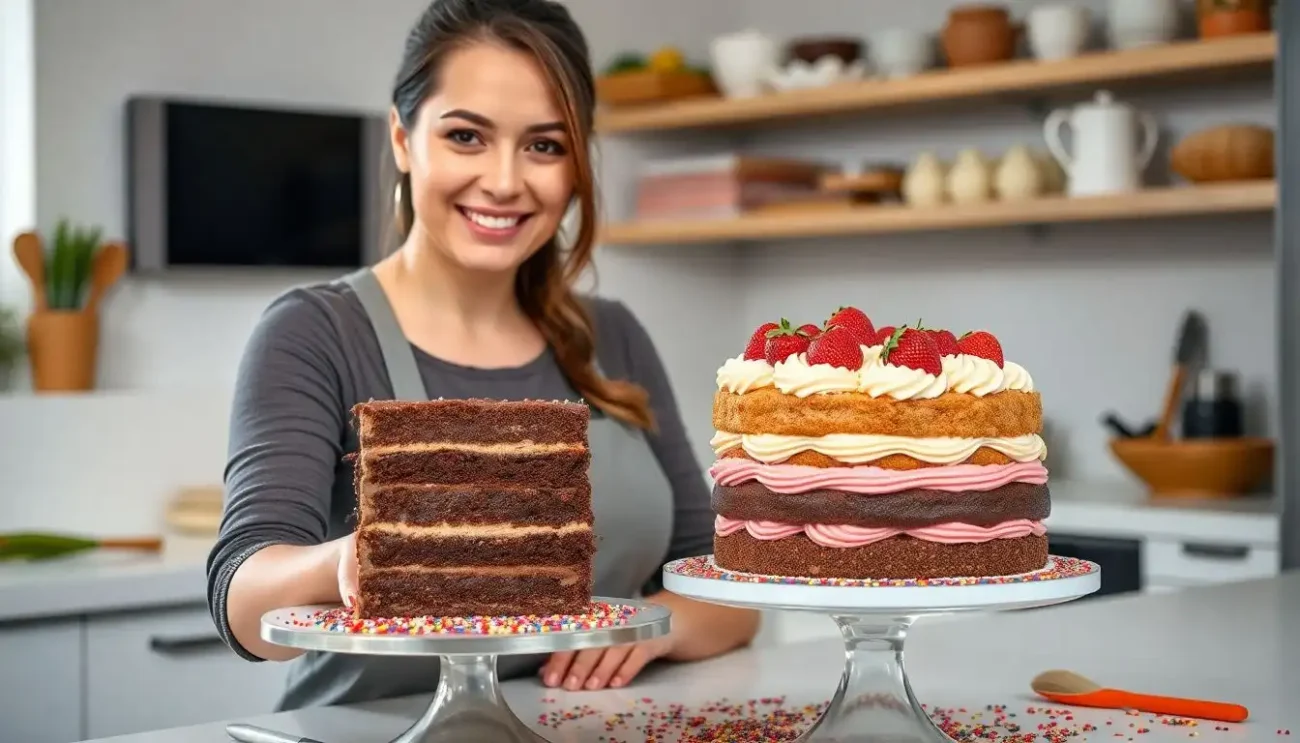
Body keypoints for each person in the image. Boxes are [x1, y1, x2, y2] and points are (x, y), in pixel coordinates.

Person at [205, 0, 760, 712]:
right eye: (466, 136)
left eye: (544, 146)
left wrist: (650, 629)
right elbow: (242, 600)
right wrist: (354, 558)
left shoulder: (612, 336)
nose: (503, 181)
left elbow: (727, 592)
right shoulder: (316, 333)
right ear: (403, 139)